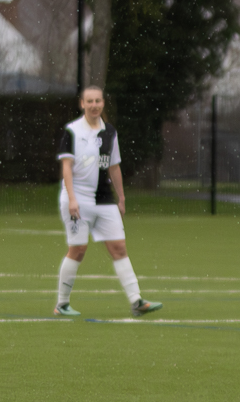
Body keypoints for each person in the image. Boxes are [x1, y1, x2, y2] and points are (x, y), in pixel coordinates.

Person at [54, 86, 162, 318]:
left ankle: (137, 301)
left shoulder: (109, 132)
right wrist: (72, 199)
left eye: (98, 101)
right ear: (82, 104)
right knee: (78, 250)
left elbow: (114, 166)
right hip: (78, 198)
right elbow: (67, 168)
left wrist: (121, 198)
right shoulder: (72, 131)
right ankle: (61, 304)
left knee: (119, 248)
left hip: (105, 200)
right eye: (89, 101)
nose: (94, 105)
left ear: (103, 103)